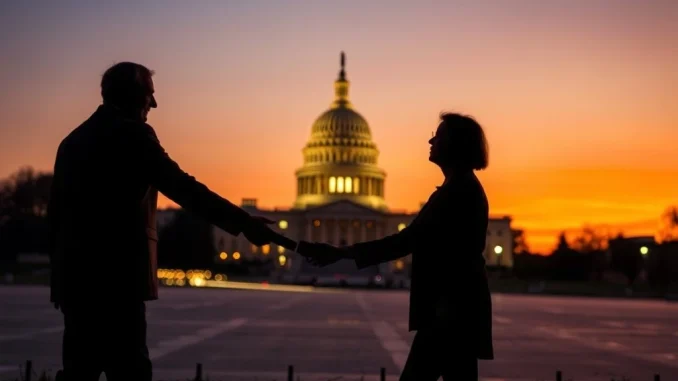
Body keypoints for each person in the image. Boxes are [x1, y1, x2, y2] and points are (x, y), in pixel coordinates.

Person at [47, 61, 291, 380]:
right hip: (118, 280)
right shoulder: (132, 134)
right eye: (150, 94)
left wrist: (61, 281)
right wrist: (244, 223)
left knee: (79, 370)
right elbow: (184, 188)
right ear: (134, 95)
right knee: (130, 370)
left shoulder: (72, 141)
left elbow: (56, 218)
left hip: (78, 283)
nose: (154, 103)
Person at [299, 112, 493, 381]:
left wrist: (341, 253)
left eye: (438, 136)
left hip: (450, 309)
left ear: (455, 144)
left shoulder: (457, 191)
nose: (431, 140)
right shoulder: (460, 187)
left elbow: (406, 240)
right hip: (455, 305)